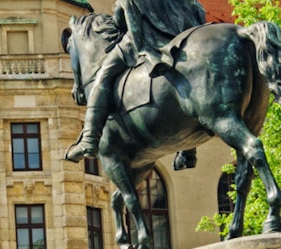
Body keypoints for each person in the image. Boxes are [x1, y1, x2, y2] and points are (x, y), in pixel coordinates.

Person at [64, 0, 209, 162]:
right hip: (182, 43)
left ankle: (89, 139)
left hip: (146, 39)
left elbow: (120, 18)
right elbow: (199, 15)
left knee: (102, 77)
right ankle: (189, 151)